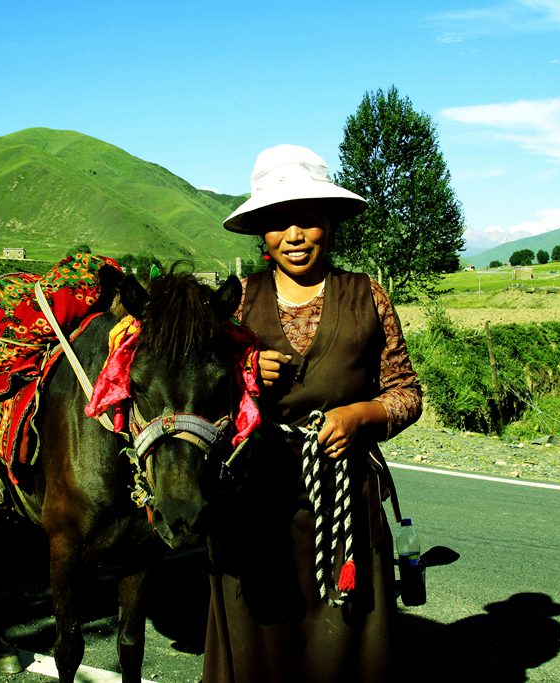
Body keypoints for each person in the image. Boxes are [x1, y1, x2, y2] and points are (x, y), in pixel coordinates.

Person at [204, 144, 423, 682]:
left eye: (309, 219)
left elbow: (406, 391)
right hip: (255, 503)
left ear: (331, 223)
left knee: (341, 645)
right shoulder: (233, 303)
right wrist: (246, 374)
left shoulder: (367, 295)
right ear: (262, 235)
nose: (295, 235)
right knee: (263, 647)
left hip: (345, 499)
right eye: (279, 224)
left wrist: (361, 416)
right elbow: (201, 402)